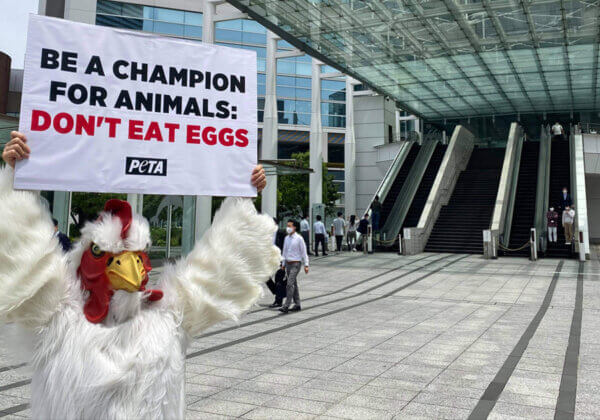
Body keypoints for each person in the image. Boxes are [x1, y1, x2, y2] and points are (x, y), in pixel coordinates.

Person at [1, 131, 279, 418]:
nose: (125, 265)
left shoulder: (169, 316)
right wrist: (17, 175)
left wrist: (242, 194)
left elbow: (219, 263)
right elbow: (20, 249)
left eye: (136, 255)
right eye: (102, 254)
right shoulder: (58, 319)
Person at [280, 219, 309, 314]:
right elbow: (284, 252)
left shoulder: (299, 238)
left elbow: (304, 252)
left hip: (296, 264)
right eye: (287, 226)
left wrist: (306, 264)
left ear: (294, 227)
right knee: (293, 284)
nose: (288, 228)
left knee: (289, 284)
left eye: (290, 226)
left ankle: (286, 305)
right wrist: (283, 264)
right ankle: (297, 304)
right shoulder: (286, 238)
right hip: (288, 264)